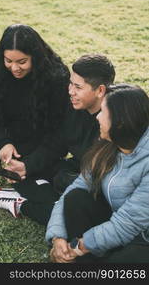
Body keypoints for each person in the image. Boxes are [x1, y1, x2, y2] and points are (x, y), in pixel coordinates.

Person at [0, 54, 116, 225]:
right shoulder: (72, 104)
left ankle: (23, 204)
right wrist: (27, 167)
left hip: (102, 184)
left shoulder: (119, 115)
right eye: (70, 84)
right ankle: (49, 197)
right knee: (34, 170)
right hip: (76, 168)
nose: (70, 91)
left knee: (76, 215)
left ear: (100, 90)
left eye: (78, 87)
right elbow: (57, 142)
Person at [45, 84, 149, 263]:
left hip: (143, 237)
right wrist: (57, 237)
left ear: (120, 122)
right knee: (76, 198)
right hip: (116, 224)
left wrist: (79, 247)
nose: (98, 117)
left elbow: (129, 222)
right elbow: (75, 188)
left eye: (102, 112)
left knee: (127, 261)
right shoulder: (108, 145)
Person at [0, 24, 70, 177]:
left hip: (37, 126)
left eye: (22, 62)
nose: (15, 68)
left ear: (36, 56)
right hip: (5, 120)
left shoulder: (56, 76)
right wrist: (1, 143)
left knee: (34, 158)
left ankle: (28, 162)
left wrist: (32, 162)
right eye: (8, 61)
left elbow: (58, 125)